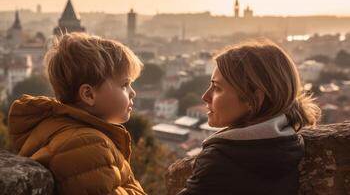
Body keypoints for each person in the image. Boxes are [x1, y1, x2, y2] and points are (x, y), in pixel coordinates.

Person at [7, 32, 146, 195]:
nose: (132, 93)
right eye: (125, 84)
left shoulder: (62, 129)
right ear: (88, 94)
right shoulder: (88, 146)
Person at [178, 38, 321, 195]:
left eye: (217, 88)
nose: (205, 96)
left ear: (254, 100)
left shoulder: (220, 162)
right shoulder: (290, 144)